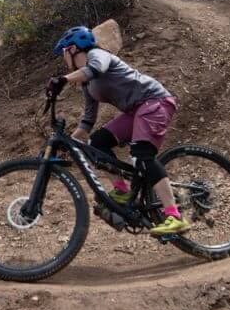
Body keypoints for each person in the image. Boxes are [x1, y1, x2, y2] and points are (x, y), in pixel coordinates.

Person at [45, 26, 190, 235]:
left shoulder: (98, 55)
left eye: (64, 53)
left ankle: (174, 216)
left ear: (74, 49)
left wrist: (64, 79)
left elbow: (95, 69)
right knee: (98, 143)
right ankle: (122, 190)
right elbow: (87, 123)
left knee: (142, 156)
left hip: (154, 102)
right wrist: (63, 143)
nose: (63, 59)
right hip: (136, 111)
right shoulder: (87, 84)